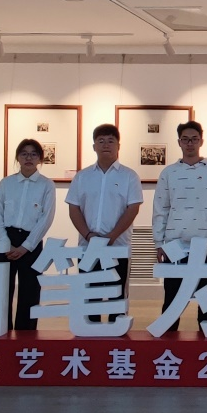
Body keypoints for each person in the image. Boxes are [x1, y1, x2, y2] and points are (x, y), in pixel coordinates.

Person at [151, 120, 207, 331]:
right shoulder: (169, 173)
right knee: (172, 296)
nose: (190, 143)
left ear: (201, 141)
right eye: (185, 139)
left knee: (205, 297)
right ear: (179, 142)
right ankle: (168, 338)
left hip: (205, 244)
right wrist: (159, 243)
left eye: (194, 139)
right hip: (174, 244)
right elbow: (160, 209)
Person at [66, 123, 143, 323]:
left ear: (119, 145)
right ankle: (90, 334)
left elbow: (133, 209)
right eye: (101, 141)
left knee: (117, 295)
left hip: (118, 247)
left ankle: (116, 336)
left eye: (111, 141)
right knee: (89, 295)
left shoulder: (129, 176)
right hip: (88, 247)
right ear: (94, 146)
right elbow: (74, 209)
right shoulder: (82, 176)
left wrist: (111, 236)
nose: (106, 145)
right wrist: (88, 235)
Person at [0, 138, 56, 331]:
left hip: (31, 243)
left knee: (30, 291)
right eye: (24, 154)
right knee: (2, 291)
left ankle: (25, 337)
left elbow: (46, 218)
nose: (28, 158)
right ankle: (1, 333)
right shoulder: (6, 183)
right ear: (17, 157)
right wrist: (4, 243)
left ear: (40, 159)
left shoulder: (46, 185)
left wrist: (26, 246)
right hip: (6, 241)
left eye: (34, 154)